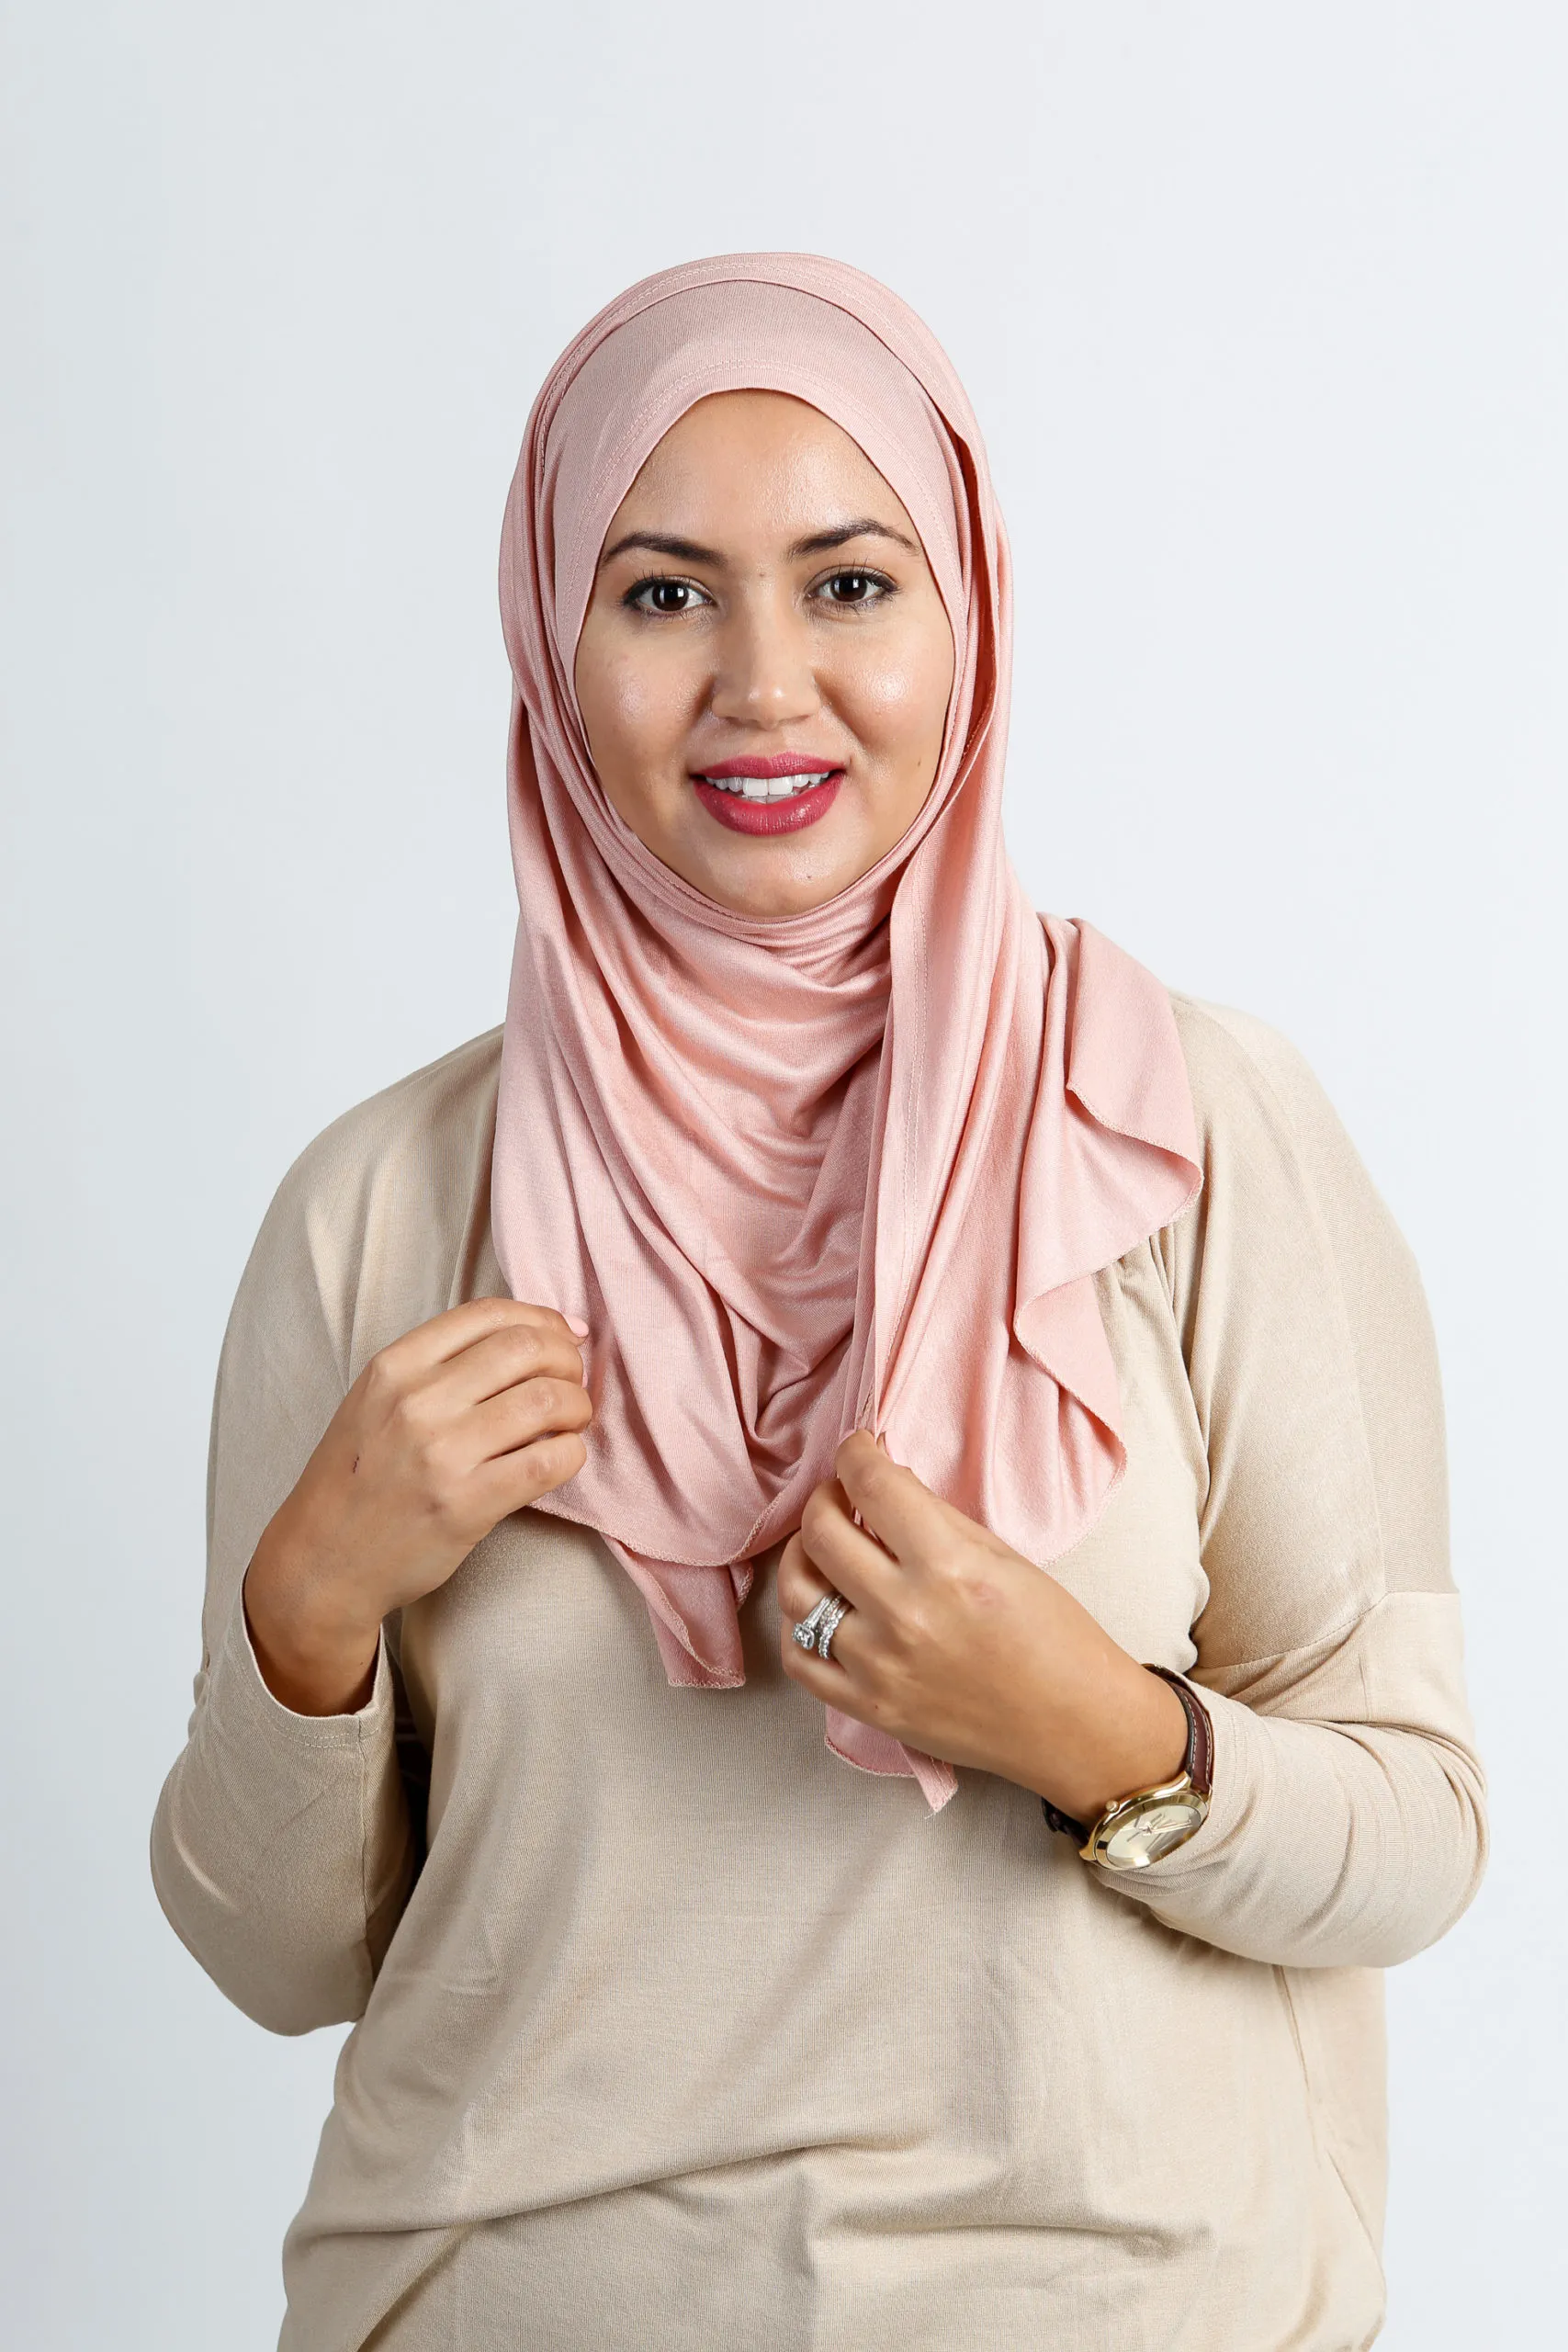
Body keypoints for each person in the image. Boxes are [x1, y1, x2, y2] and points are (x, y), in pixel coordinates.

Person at [151, 254, 1485, 2352]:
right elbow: (276, 1960)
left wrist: (1093, 1732)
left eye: (849, 583)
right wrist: (305, 1612)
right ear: (551, 644)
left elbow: (1417, 1836)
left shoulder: (1187, 1130)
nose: (763, 684)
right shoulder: (384, 1208)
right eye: (662, 594)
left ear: (970, 616)